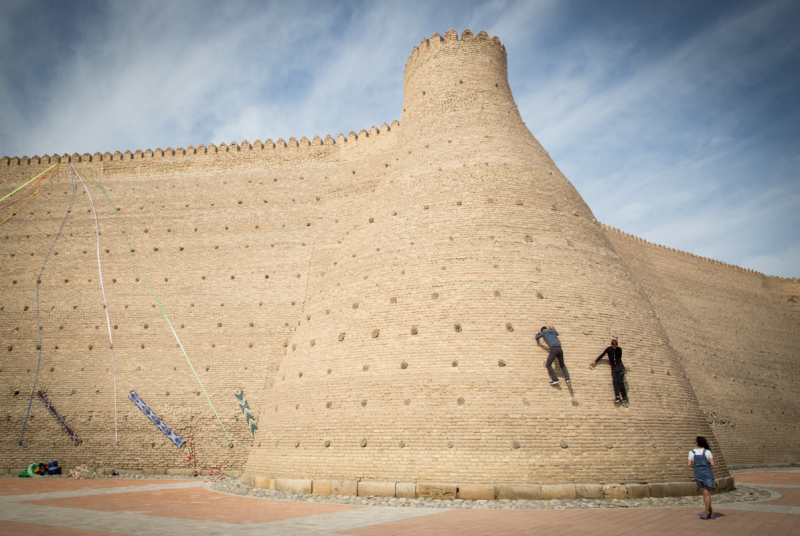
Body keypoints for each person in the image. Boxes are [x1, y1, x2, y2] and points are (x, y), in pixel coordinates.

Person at [590, 339, 628, 403]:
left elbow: (619, 357)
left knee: (620, 381)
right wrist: (595, 361)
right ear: (611, 345)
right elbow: (602, 355)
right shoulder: (608, 349)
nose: (615, 347)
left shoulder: (619, 349)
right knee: (615, 381)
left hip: (619, 366)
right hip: (613, 368)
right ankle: (617, 397)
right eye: (613, 345)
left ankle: (625, 397)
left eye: (616, 345)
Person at [688, 436, 716, 519]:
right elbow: (713, 464)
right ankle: (709, 512)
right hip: (707, 472)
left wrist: (697, 467)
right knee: (707, 494)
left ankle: (706, 512)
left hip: (698, 473)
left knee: (704, 494)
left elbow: (689, 464)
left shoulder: (692, 452)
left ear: (697, 443)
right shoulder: (707, 452)